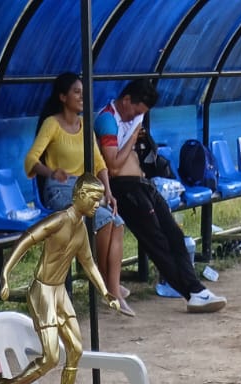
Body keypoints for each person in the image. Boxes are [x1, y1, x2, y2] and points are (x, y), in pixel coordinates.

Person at [96, 78, 226, 314]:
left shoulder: (135, 118)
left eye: (141, 114)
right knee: (157, 242)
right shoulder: (107, 120)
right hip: (125, 189)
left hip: (144, 185)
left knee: (174, 234)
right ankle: (191, 292)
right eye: (136, 111)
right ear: (126, 100)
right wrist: (133, 138)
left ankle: (197, 290)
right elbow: (113, 166)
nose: (137, 117)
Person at [0, 176, 121, 384]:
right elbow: (27, 239)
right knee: (51, 358)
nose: (98, 204)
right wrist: (5, 273)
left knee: (75, 350)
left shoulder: (81, 229)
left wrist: (106, 292)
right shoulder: (59, 220)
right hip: (42, 291)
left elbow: (89, 263)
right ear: (81, 195)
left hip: (59, 291)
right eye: (94, 199)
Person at [25, 72, 132, 316]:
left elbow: (99, 162)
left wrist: (109, 192)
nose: (82, 97)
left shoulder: (85, 126)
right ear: (63, 97)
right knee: (104, 220)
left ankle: (111, 286)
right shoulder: (52, 124)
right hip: (59, 191)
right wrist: (51, 172)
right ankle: (106, 286)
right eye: (76, 92)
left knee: (117, 222)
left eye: (83, 92)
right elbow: (31, 160)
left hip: (83, 191)